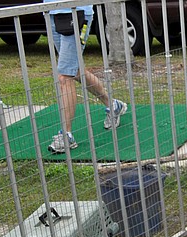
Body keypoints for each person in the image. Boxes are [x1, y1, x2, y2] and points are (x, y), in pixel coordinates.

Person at [44, 1, 127, 153]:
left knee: (65, 75)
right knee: (73, 70)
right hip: (52, 12)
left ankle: (66, 135)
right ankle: (113, 105)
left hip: (77, 12)